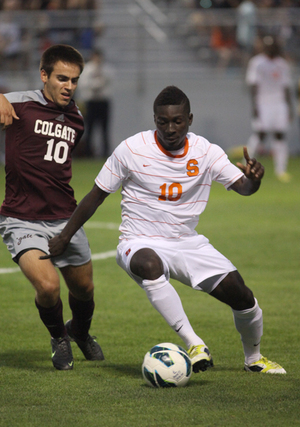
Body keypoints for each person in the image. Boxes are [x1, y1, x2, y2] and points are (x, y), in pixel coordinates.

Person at [42, 85, 286, 374]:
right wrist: (65, 236)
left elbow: (243, 188)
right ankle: (194, 344)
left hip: (186, 242)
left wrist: (254, 180)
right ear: (154, 119)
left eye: (177, 121)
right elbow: (96, 196)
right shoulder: (131, 149)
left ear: (189, 119)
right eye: (163, 121)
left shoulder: (206, 152)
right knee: (150, 264)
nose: (170, 128)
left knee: (243, 297)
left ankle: (254, 360)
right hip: (138, 241)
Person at [0, 44, 104, 370]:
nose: (69, 86)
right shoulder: (18, 103)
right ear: (44, 75)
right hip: (21, 218)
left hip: (65, 218)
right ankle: (59, 337)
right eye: (61, 78)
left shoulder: (76, 118)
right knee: (47, 286)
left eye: (74, 80)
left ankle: (81, 332)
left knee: (84, 289)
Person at [245, 36, 294, 183]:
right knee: (261, 135)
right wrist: (254, 105)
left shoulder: (282, 64)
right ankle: (247, 165)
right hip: (263, 103)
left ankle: (281, 170)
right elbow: (253, 85)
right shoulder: (257, 63)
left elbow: (286, 87)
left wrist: (290, 107)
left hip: (279, 104)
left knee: (280, 135)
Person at [78, 49, 114, 158]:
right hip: (91, 102)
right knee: (89, 129)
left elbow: (110, 83)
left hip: (103, 101)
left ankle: (105, 153)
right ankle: (88, 153)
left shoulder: (107, 69)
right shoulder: (87, 69)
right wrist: (96, 84)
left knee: (105, 129)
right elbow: (83, 85)